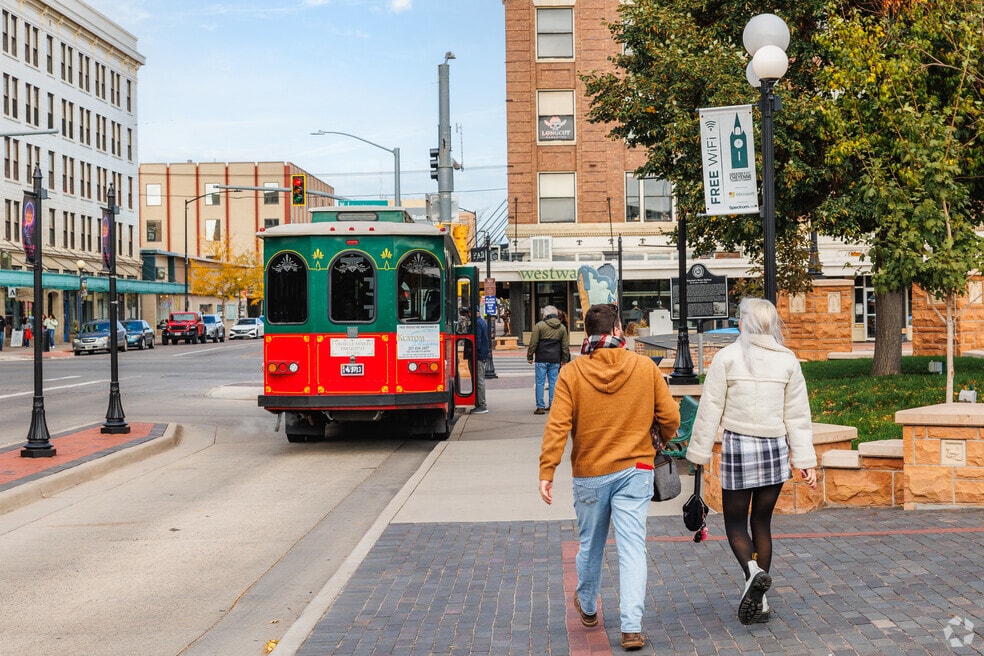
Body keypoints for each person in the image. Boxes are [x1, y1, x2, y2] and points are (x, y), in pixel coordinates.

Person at [539, 303, 681, 651]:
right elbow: (670, 415)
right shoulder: (644, 367)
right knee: (633, 547)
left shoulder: (572, 374)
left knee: (591, 544)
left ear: (587, 334)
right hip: (636, 470)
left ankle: (588, 606)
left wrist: (547, 470)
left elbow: (558, 425)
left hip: (590, 472)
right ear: (617, 330)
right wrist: (663, 437)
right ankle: (631, 627)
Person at [686, 297, 818, 625]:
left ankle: (751, 572)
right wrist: (805, 459)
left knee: (734, 523)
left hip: (738, 447)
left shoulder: (727, 357)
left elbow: (710, 409)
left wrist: (698, 455)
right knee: (762, 523)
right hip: (774, 448)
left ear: (744, 322)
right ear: (772, 324)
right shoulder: (788, 360)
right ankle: (761, 597)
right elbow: (798, 415)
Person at [527, 305, 570, 414]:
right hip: (555, 359)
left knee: (540, 382)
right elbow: (565, 346)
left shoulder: (539, 326)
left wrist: (530, 356)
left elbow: (533, 343)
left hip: (541, 358)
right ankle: (553, 405)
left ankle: (540, 407)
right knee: (554, 383)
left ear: (545, 315)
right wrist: (564, 359)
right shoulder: (562, 328)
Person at [460, 307, 491, 414]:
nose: (467, 314)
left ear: (472, 312)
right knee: (478, 380)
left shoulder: (477, 324)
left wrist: (472, 353)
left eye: (468, 312)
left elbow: (476, 341)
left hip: (477, 356)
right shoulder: (481, 322)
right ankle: (479, 404)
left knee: (479, 381)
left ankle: (482, 405)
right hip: (480, 355)